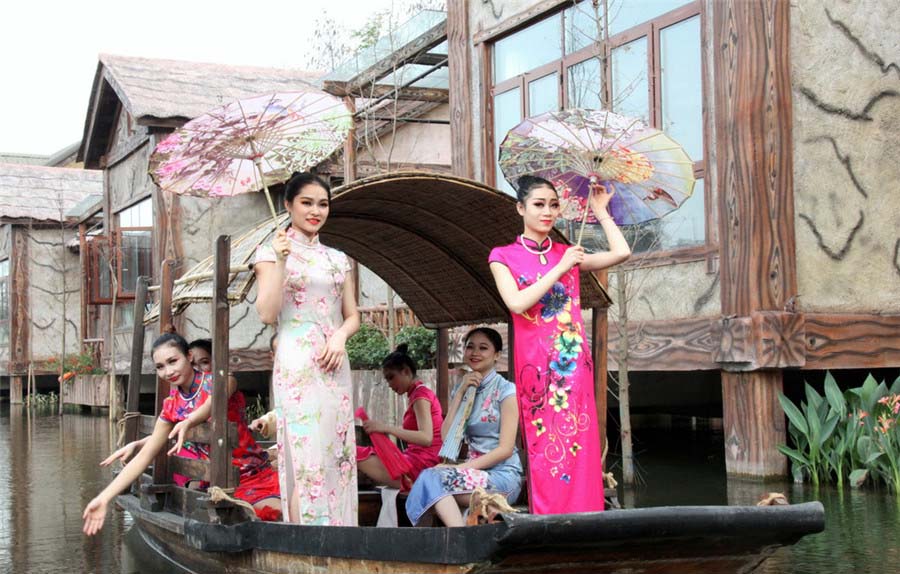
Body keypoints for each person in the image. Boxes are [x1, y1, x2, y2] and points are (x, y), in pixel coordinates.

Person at [488, 175, 631, 515]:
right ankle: (550, 518)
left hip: (572, 364)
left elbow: (622, 252)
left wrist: (600, 210)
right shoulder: (502, 255)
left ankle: (587, 515)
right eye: (539, 204)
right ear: (520, 208)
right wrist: (560, 268)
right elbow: (517, 303)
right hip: (536, 368)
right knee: (545, 443)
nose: (548, 212)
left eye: (554, 205)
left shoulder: (567, 253)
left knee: (580, 442)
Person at [82, 333, 280, 536]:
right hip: (216, 486)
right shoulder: (172, 405)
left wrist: (190, 420)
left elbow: (212, 404)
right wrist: (104, 498)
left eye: (173, 361)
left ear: (189, 356)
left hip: (253, 475)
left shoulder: (222, 380)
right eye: (160, 367)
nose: (168, 372)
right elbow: (144, 457)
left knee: (276, 515)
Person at [254, 171, 361, 525]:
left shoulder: (338, 258)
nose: (316, 211)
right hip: (298, 362)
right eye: (306, 203)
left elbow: (352, 316)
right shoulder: (269, 253)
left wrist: (340, 337)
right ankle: (308, 539)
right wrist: (281, 260)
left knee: (337, 456)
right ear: (288, 205)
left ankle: (340, 535)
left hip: (335, 363)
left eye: (323, 204)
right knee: (307, 457)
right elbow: (267, 313)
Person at [404, 328, 523, 527]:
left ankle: (457, 535)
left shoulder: (506, 390)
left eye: (483, 348)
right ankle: (459, 532)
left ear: (497, 355)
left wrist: (458, 468)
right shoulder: (464, 388)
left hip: (502, 477)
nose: (475, 353)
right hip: (471, 475)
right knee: (431, 482)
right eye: (470, 347)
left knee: (431, 481)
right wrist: (459, 392)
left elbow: (505, 450)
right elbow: (446, 437)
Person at [357, 343, 443, 490]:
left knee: (351, 454)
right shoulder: (417, 394)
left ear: (406, 371)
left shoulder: (421, 396)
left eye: (391, 377)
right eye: (387, 380)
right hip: (416, 461)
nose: (390, 384)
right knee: (355, 454)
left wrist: (386, 428)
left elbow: (426, 438)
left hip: (422, 466)